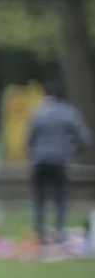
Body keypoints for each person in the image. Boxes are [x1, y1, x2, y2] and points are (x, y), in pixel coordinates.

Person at [26, 77, 92, 244]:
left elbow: (29, 139)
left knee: (39, 198)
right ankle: (60, 231)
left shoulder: (37, 112)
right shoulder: (69, 113)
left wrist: (35, 152)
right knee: (60, 197)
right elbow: (85, 138)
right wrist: (73, 147)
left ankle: (39, 232)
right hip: (59, 160)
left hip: (40, 160)